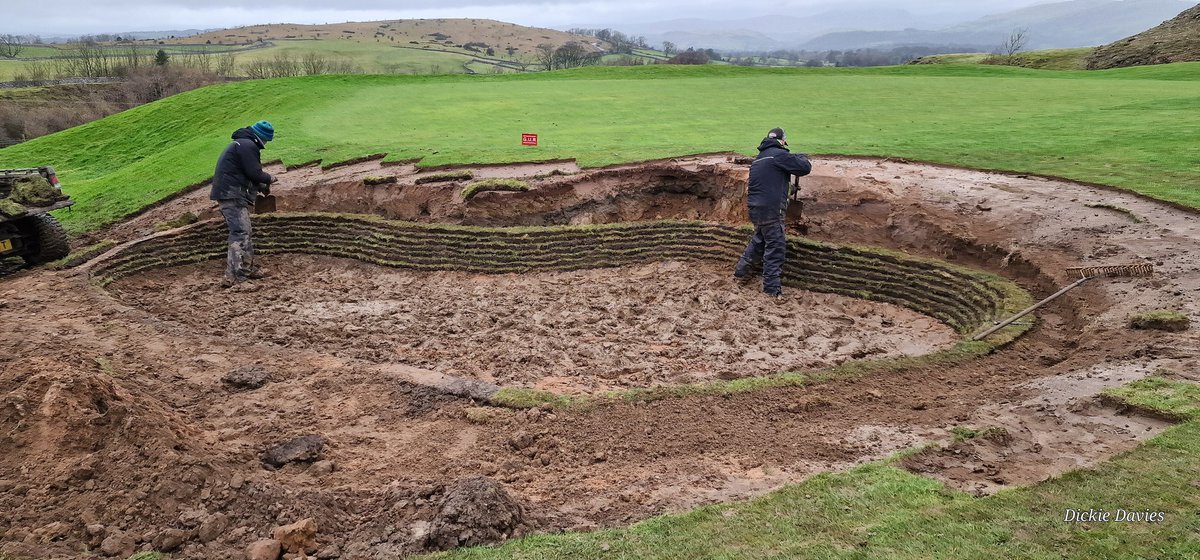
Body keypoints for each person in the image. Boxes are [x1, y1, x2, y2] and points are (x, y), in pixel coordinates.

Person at [734, 127, 812, 297]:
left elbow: (768, 184)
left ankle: (740, 272)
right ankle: (771, 289)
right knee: (775, 247)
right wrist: (800, 157)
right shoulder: (779, 155)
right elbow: (805, 168)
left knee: (760, 239)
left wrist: (789, 189)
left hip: (756, 208)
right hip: (771, 209)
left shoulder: (759, 159)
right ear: (782, 141)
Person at [210, 120, 276, 287]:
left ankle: (244, 270)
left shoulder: (242, 143)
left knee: (243, 232)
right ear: (262, 137)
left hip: (231, 193)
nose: (266, 144)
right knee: (240, 232)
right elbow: (254, 172)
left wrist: (261, 186)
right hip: (232, 195)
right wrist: (269, 179)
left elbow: (245, 173)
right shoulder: (248, 146)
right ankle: (238, 276)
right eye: (267, 140)